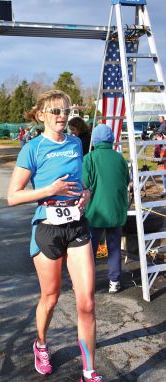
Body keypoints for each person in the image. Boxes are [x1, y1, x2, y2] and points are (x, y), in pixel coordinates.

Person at [7, 90, 118, 382]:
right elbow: (13, 196)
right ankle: (40, 344)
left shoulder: (74, 144)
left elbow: (81, 184)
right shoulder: (32, 148)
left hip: (77, 227)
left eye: (66, 110)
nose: (61, 115)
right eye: (55, 110)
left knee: (87, 303)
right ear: (42, 115)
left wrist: (86, 194)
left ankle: (89, 376)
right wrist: (48, 189)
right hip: (46, 230)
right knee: (51, 298)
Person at [82, 124, 130, 294]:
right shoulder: (119, 158)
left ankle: (88, 282)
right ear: (111, 139)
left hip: (95, 211)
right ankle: (114, 282)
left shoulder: (89, 158)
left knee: (90, 248)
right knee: (114, 246)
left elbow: (84, 183)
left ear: (95, 139)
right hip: (116, 210)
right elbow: (126, 181)